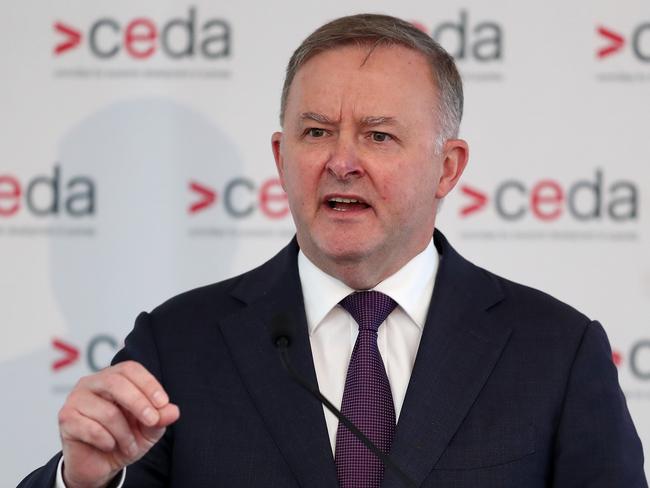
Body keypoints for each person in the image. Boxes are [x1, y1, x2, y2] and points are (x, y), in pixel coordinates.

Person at [19, 13, 646, 488]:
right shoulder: (179, 344)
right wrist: (86, 481)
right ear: (281, 158)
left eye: (378, 136)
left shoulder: (556, 352)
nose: (341, 162)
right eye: (316, 132)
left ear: (447, 168)